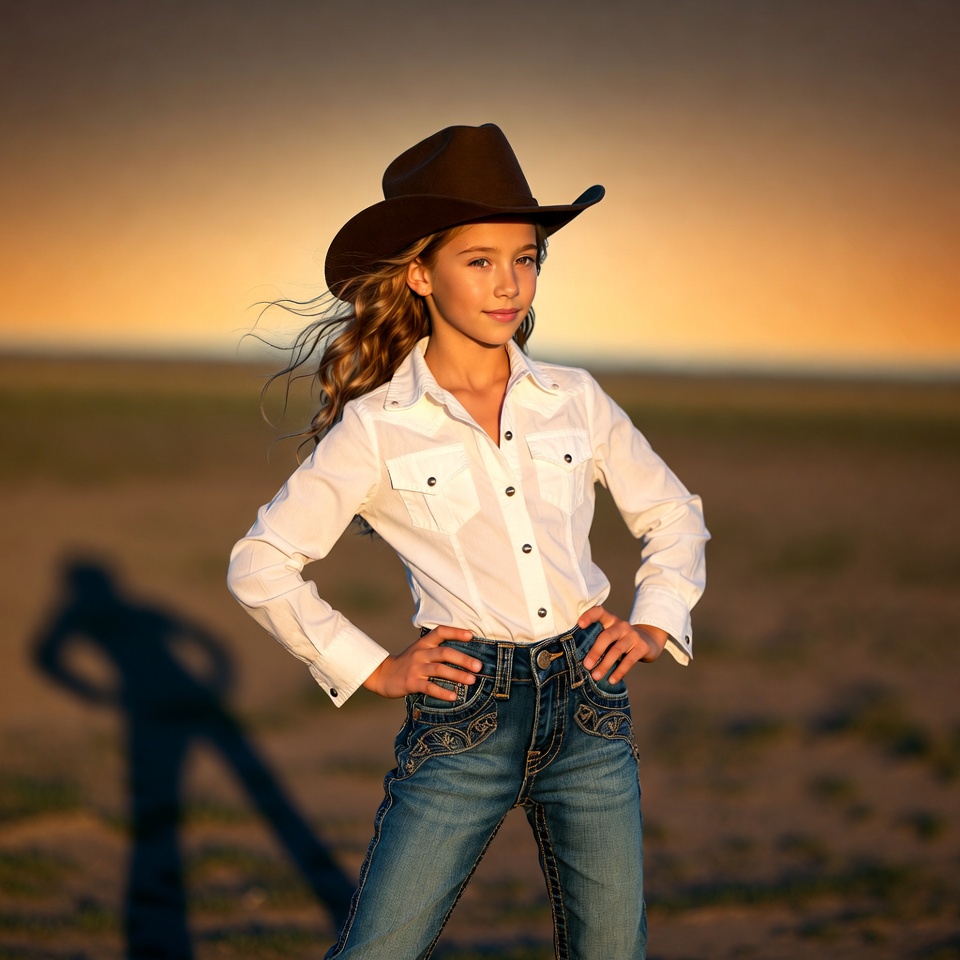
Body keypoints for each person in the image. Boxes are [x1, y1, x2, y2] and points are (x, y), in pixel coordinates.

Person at [228, 123, 709, 960]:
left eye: (525, 259)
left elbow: (673, 516)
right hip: (465, 717)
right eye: (479, 260)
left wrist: (655, 621)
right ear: (421, 274)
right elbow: (261, 565)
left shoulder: (574, 397)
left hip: (591, 704)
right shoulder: (378, 428)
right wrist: (374, 668)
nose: (509, 285)